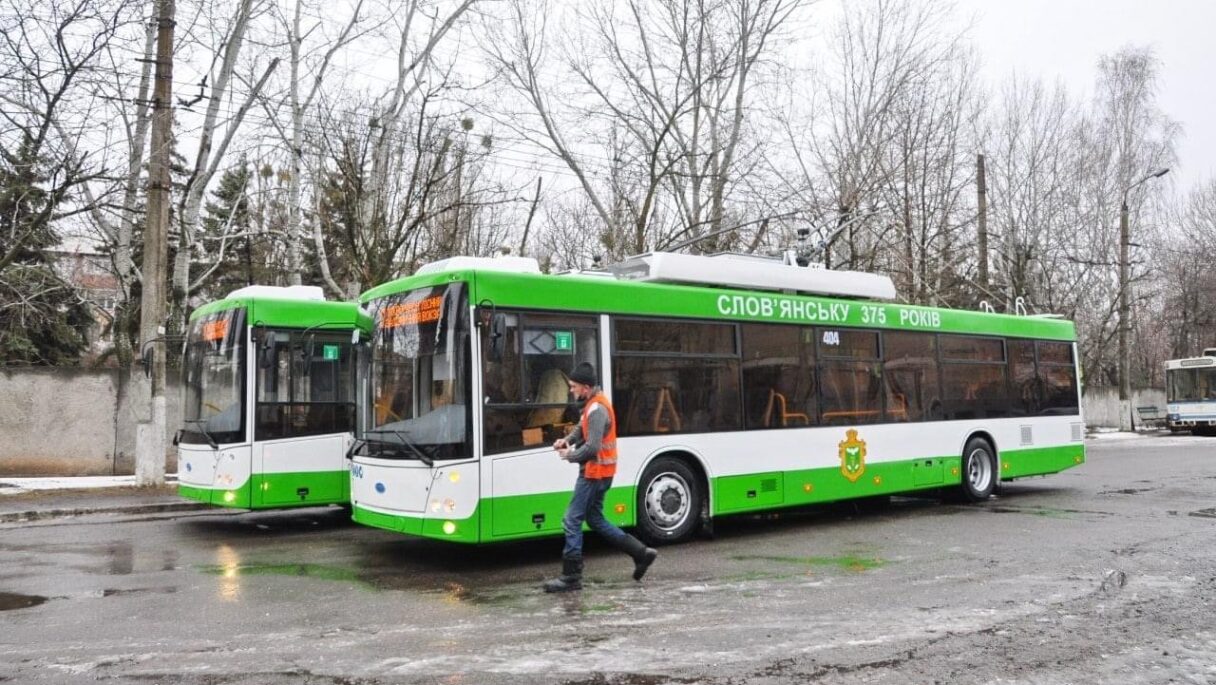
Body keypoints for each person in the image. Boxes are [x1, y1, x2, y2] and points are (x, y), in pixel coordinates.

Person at [542, 361, 657, 593]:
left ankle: (571, 576)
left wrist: (569, 455)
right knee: (594, 519)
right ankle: (641, 553)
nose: (571, 390)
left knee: (571, 520)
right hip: (601, 473)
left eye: (573, 386)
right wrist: (567, 440)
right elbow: (581, 427)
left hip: (594, 473)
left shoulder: (597, 409)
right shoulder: (593, 404)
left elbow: (593, 447)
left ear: (585, 387)